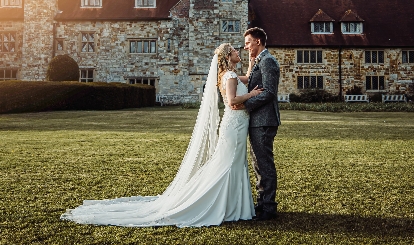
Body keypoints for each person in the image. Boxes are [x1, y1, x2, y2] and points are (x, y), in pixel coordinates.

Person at [60, 43, 263, 227]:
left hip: (238, 125)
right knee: (228, 164)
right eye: (235, 50)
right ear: (228, 56)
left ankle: (235, 206)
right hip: (233, 126)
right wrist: (253, 94)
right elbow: (232, 101)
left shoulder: (232, 75)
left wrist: (254, 61)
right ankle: (222, 205)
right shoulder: (228, 76)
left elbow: (246, 78)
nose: (239, 51)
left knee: (235, 163)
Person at [230, 27, 280, 221]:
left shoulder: (268, 61)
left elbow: (269, 92)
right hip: (257, 120)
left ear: (258, 41)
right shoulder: (258, 61)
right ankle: (261, 204)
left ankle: (269, 208)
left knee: (264, 163)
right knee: (257, 163)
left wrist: (245, 104)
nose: (245, 46)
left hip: (265, 120)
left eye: (248, 42)